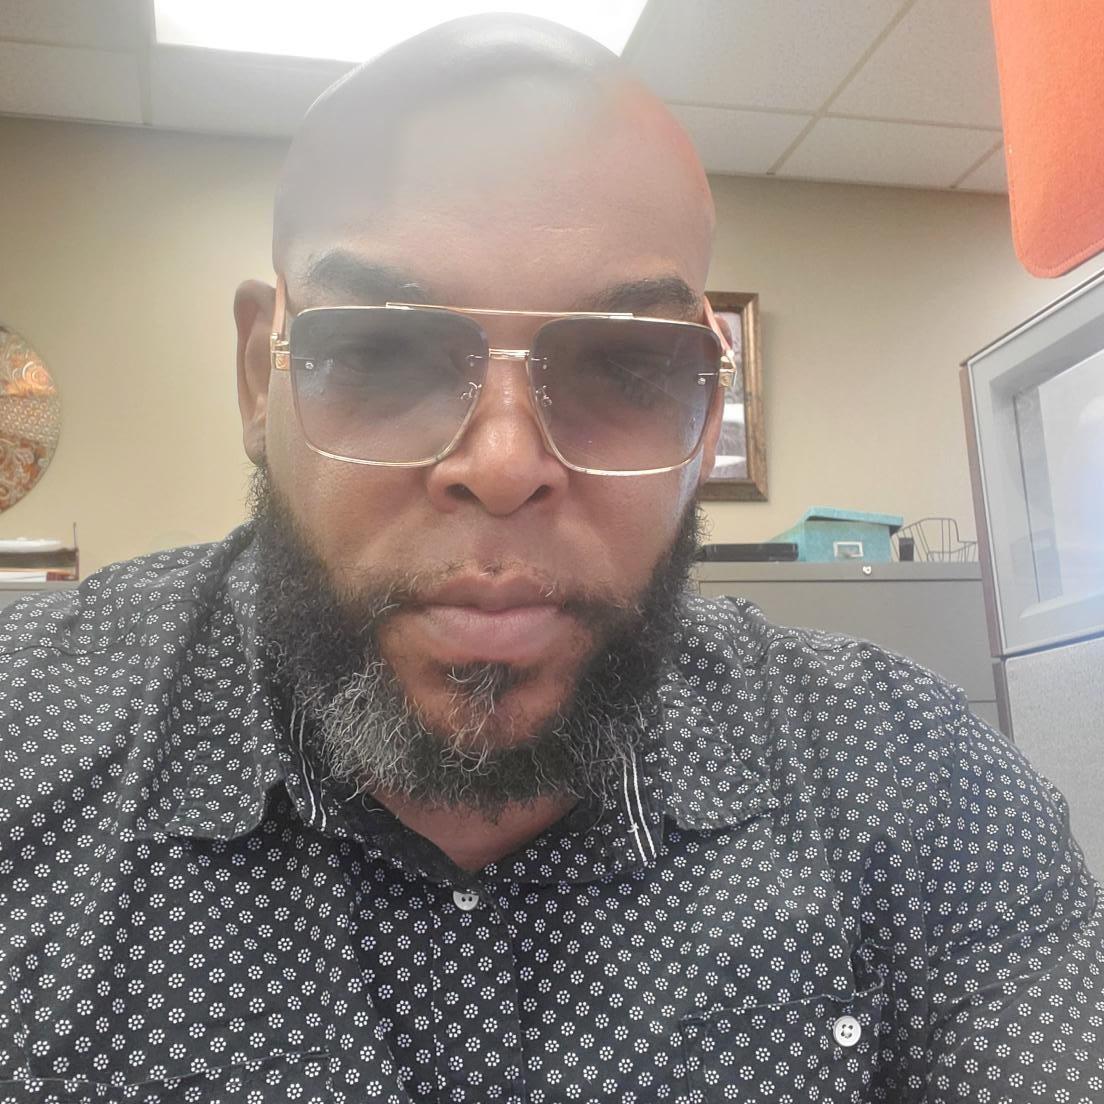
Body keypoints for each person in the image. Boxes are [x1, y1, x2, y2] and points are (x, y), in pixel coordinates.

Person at [1, 14, 1102, 1104]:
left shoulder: (910, 784)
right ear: (260, 377)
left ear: (704, 415)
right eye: (382, 352)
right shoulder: (26, 743)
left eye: (626, 366)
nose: (504, 466)